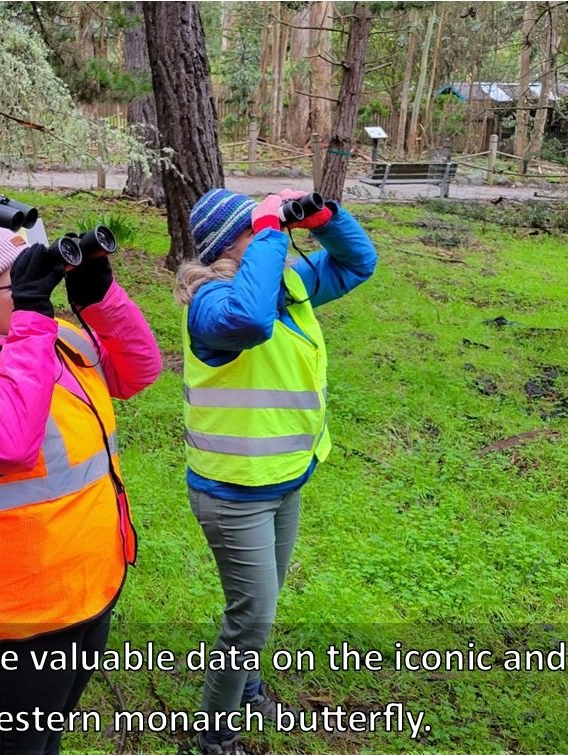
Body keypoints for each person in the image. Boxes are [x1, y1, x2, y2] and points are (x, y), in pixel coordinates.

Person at [0, 213, 161, 755]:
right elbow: (7, 443)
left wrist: (100, 298)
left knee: (47, 736)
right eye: (17, 281)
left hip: (88, 587)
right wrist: (33, 319)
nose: (35, 288)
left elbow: (139, 371)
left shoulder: (56, 340)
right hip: (12, 620)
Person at [176, 188, 378, 755]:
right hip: (234, 492)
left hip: (285, 478)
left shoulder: (284, 283)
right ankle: (213, 738)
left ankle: (247, 688)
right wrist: (269, 227)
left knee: (260, 606)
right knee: (251, 619)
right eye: (258, 232)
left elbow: (358, 262)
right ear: (231, 244)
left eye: (275, 230)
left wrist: (327, 220)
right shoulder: (210, 304)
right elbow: (250, 320)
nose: (277, 238)